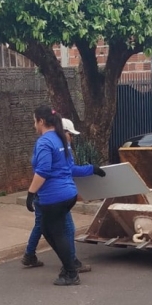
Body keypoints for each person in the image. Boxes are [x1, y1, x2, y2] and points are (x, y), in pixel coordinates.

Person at [22, 117, 105, 273]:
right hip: (49, 195)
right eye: (70, 134)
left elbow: (68, 169)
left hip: (50, 195)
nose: (71, 138)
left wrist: (91, 169)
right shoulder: (53, 145)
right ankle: (70, 264)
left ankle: (33, 255)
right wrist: (31, 193)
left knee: (49, 227)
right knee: (55, 228)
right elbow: (45, 170)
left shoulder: (58, 145)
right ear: (62, 131)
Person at [25, 106, 87, 286]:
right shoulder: (62, 139)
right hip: (67, 194)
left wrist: (31, 193)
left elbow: (42, 171)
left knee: (57, 233)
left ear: (41, 122)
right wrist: (91, 169)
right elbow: (69, 168)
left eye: (34, 121)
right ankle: (69, 266)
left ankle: (70, 271)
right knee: (46, 229)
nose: (34, 125)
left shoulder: (45, 142)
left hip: (54, 197)